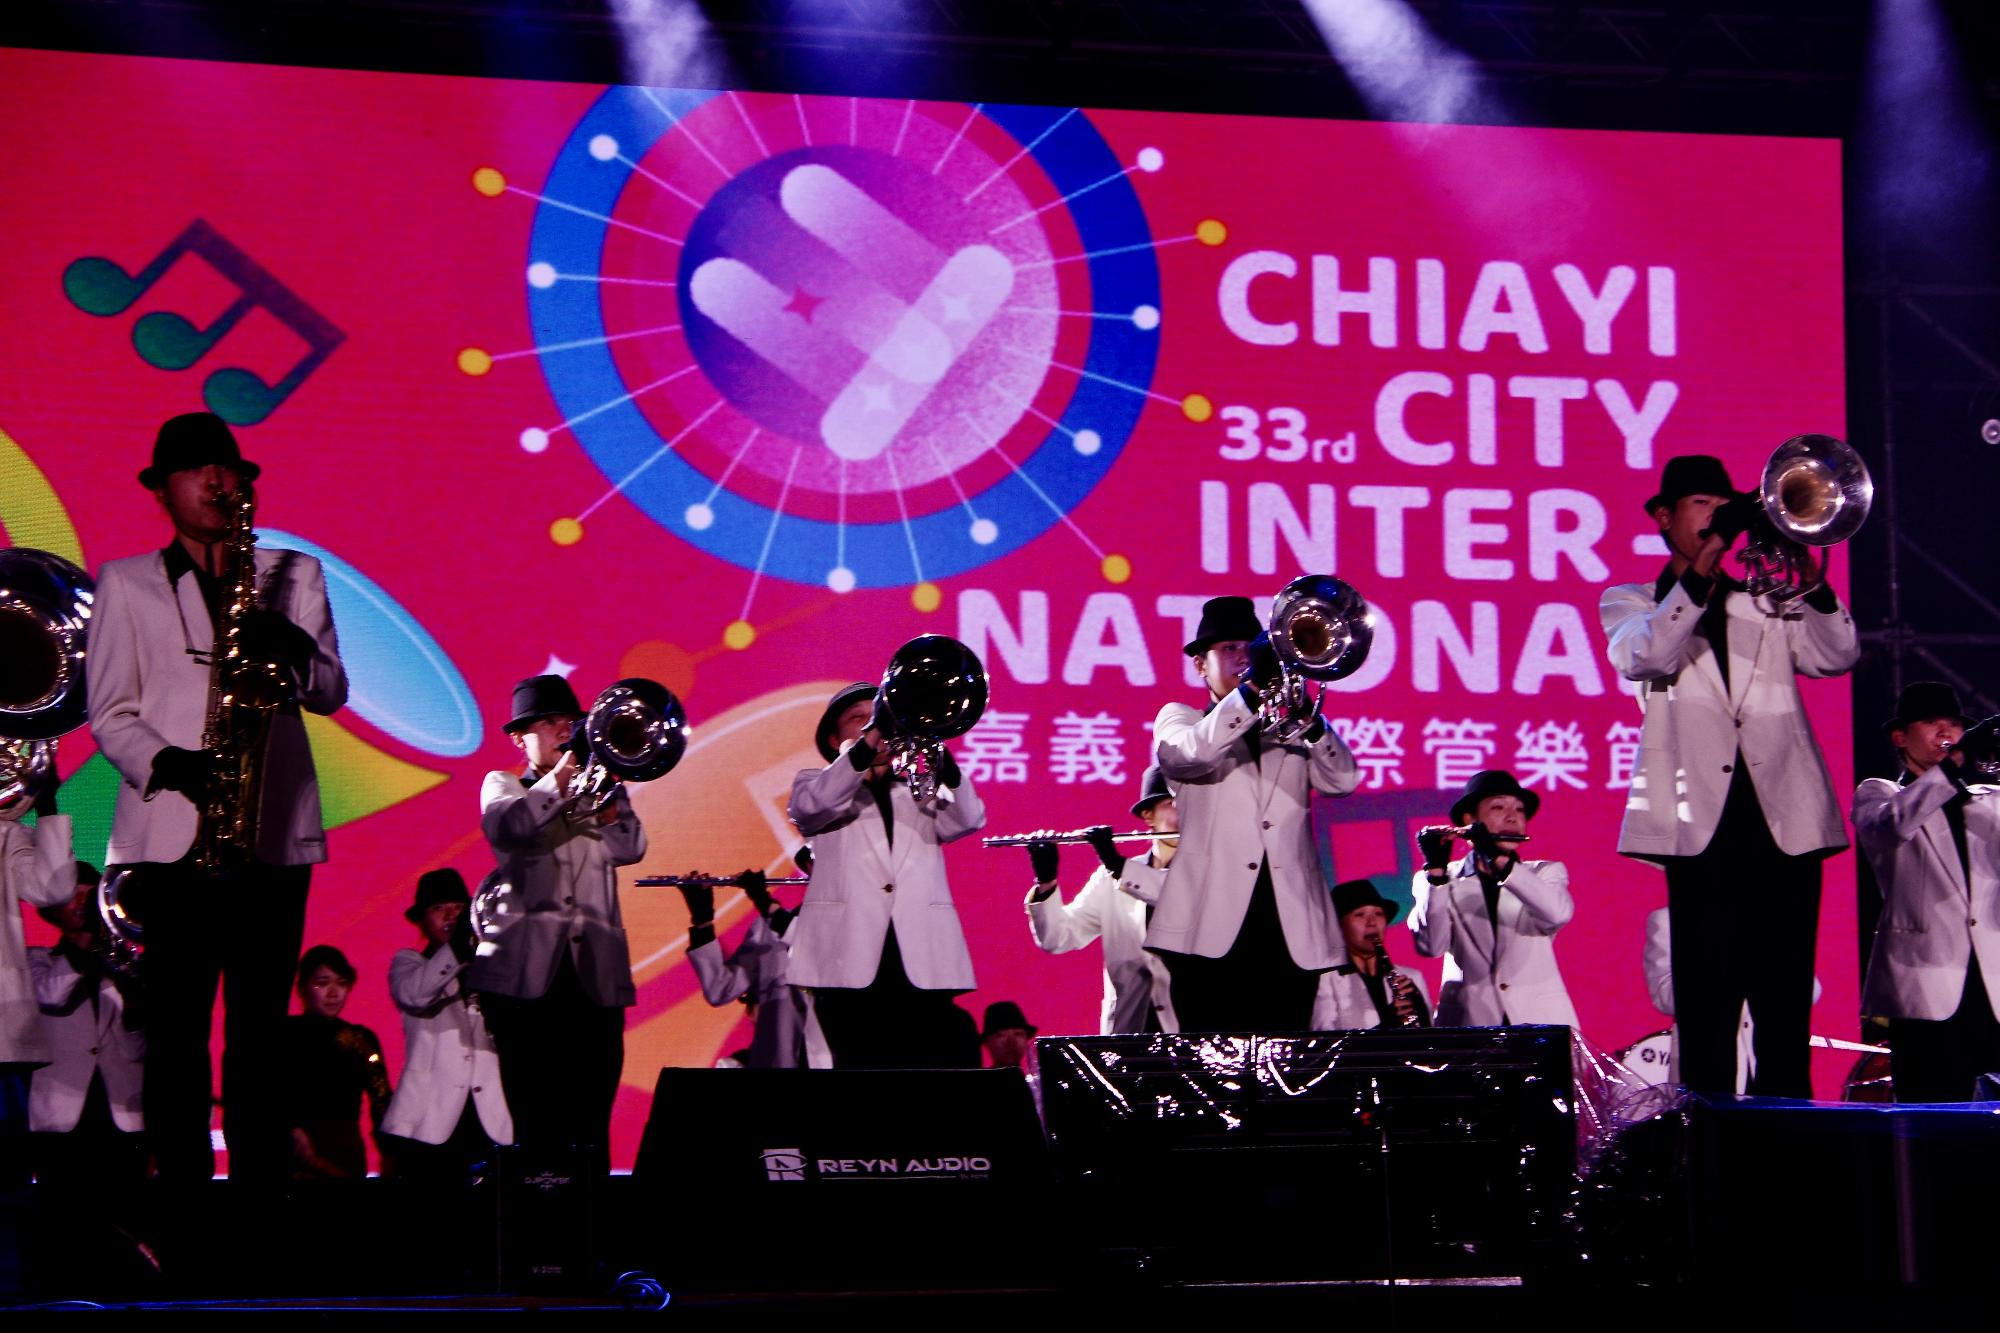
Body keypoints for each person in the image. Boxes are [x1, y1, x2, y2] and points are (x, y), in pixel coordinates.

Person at [86, 411, 348, 1180]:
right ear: (161, 491)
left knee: (259, 1031)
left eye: (225, 468)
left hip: (273, 831)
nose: (214, 480)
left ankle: (260, 1196)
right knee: (177, 1033)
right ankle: (184, 1205)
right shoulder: (126, 582)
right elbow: (111, 713)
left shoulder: (292, 573)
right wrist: (173, 763)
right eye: (194, 469)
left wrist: (295, 648)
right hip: (175, 837)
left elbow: (332, 690)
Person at [1601, 452, 1857, 1097]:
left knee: (1784, 1012)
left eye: (1725, 505)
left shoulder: (1764, 600)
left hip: (1786, 824)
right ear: (1665, 517)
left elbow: (1836, 655)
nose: (1719, 515)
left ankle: (1790, 1144)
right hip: (1700, 833)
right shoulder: (1633, 601)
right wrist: (1713, 555)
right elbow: (1646, 656)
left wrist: (1807, 577)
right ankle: (1712, 1149)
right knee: (1707, 1014)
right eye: (1703, 505)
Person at [1148, 596, 1360, 1032]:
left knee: (1287, 1063)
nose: (1243, 657)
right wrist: (1249, 693)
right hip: (1209, 927)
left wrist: (1313, 725)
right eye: (1228, 648)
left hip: (1291, 928)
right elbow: (1187, 756)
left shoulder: (1292, 726)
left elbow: (1343, 782)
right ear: (1200, 665)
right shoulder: (1181, 718)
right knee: (1210, 1062)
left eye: (1252, 647)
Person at [470, 674, 646, 1176]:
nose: (564, 731)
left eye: (570, 722)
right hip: (525, 983)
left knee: (591, 1123)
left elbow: (631, 848)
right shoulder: (504, 786)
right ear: (519, 738)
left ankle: (592, 1224)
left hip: (594, 979)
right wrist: (568, 771)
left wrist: (611, 800)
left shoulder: (598, 789)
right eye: (549, 723)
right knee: (536, 1122)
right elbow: (511, 827)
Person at [785, 680, 987, 1069]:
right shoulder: (812, 782)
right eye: (857, 718)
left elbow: (968, 819)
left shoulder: (919, 791)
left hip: (920, 956)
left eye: (878, 716)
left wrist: (946, 766)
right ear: (833, 738)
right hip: (847, 960)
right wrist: (871, 736)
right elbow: (812, 809)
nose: (870, 723)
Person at [1853, 681, 2000, 1102]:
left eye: (1954, 724)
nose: (1946, 732)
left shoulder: (1990, 799)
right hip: (1926, 987)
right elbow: (1892, 827)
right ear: (1900, 738)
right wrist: (1953, 767)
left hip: (1992, 986)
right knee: (1932, 1116)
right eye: (1932, 722)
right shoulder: (1880, 794)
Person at [1409, 770, 1577, 1029]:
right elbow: (1431, 946)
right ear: (1470, 820)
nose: (1512, 817)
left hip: (1539, 1021)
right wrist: (1437, 875)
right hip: (1469, 1023)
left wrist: (1500, 862)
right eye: (1499, 807)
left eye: (1519, 810)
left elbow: (1556, 915)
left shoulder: (1543, 872)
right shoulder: (1437, 879)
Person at [1020, 767, 1179, 1034]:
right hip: (1130, 1030)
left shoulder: (1215, 874)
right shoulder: (1109, 880)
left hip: (1194, 1028)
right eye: (1172, 803)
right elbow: (1059, 938)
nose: (1186, 811)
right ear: (1147, 815)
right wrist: (1046, 882)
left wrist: (1117, 865)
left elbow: (1175, 895)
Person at [381, 869, 513, 1182]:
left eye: (457, 908)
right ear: (422, 920)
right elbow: (415, 995)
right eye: (438, 908)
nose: (450, 916)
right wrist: (457, 947)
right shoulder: (409, 963)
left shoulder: (494, 967)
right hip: (429, 1121)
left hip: (489, 1117)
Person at [27, 864, 147, 1188]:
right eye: (72, 896)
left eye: (88, 894)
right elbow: (52, 995)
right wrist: (84, 942)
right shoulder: (36, 960)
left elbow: (137, 1050)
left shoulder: (126, 963)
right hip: (61, 1123)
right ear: (52, 910)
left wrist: (135, 1008)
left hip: (123, 1119)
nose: (82, 902)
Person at [0, 782, 77, 1187]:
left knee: (7, 1179)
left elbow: (53, 889)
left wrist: (47, 805)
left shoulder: (4, 833)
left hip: (1, 1039)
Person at [678, 869, 817, 1069]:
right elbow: (720, 988)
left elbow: (812, 948)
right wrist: (703, 921)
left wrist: (765, 902)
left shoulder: (851, 928)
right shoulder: (766, 930)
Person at [281, 945, 391, 1179]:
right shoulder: (284, 1035)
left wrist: (389, 1153)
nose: (333, 993)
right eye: (322, 983)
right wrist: (291, 1127)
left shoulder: (361, 1040)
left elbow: (381, 1099)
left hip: (345, 1152)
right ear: (302, 987)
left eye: (341, 983)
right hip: (294, 1152)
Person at [1312, 879, 1432, 1030]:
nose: (1372, 922)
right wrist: (1387, 1026)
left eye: (1378, 913)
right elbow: (1324, 1040)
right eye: (1360, 914)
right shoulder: (1325, 981)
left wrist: (1420, 1008)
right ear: (1339, 925)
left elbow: (1430, 1036)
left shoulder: (1412, 978)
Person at [980, 1001, 1036, 1071]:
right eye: (1001, 1035)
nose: (1011, 1042)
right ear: (987, 1042)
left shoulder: (1038, 1077)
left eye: (1018, 1034)